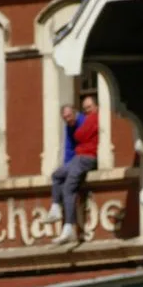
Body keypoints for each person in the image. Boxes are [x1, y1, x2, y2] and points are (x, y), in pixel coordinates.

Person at [45, 95, 99, 246]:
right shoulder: (73, 124)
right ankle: (56, 206)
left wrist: (78, 136)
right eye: (85, 108)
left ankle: (69, 226)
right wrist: (66, 167)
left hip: (85, 158)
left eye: (89, 107)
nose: (87, 111)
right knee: (57, 175)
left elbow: (80, 135)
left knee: (68, 188)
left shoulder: (92, 118)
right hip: (78, 158)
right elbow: (69, 148)